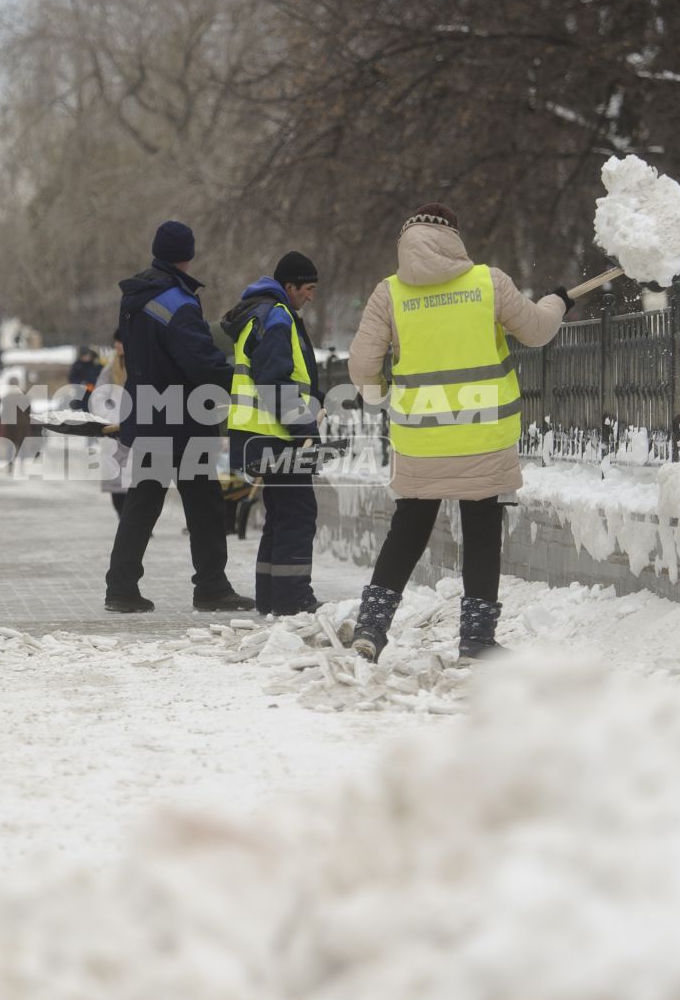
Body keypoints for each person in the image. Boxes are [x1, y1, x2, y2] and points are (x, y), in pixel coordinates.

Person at [347, 203, 571, 660]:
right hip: (483, 431)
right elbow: (538, 330)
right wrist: (559, 300)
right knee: (483, 527)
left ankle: (371, 629)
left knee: (408, 528)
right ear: (453, 238)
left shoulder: (389, 294)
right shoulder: (489, 282)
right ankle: (477, 640)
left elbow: (363, 365)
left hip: (419, 436)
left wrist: (377, 393)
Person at [104, 220, 254, 615]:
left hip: (150, 413)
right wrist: (240, 381)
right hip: (185, 420)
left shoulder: (134, 298)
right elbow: (200, 364)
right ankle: (212, 588)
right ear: (188, 255)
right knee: (205, 505)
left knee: (143, 501)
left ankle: (120, 587)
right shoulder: (178, 302)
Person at [221, 250, 325, 615]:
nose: (310, 296)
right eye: (307, 288)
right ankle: (293, 599)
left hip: (257, 433)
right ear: (289, 286)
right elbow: (274, 384)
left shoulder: (260, 315)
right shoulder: (277, 317)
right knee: (297, 514)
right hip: (275, 434)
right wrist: (305, 428)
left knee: (280, 516)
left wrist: (316, 402)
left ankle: (271, 597)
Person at [89, 329, 129, 517]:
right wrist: (110, 418)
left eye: (119, 342)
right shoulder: (110, 369)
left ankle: (136, 522)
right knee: (116, 481)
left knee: (139, 482)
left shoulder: (143, 365)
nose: (115, 346)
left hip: (139, 431)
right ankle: (124, 518)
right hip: (116, 431)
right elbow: (98, 396)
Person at [66, 345, 101, 410]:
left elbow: (101, 375)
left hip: (96, 391)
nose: (85, 357)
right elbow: (72, 378)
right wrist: (82, 383)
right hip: (81, 392)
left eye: (87, 355)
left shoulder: (96, 364)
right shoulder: (77, 365)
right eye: (83, 356)